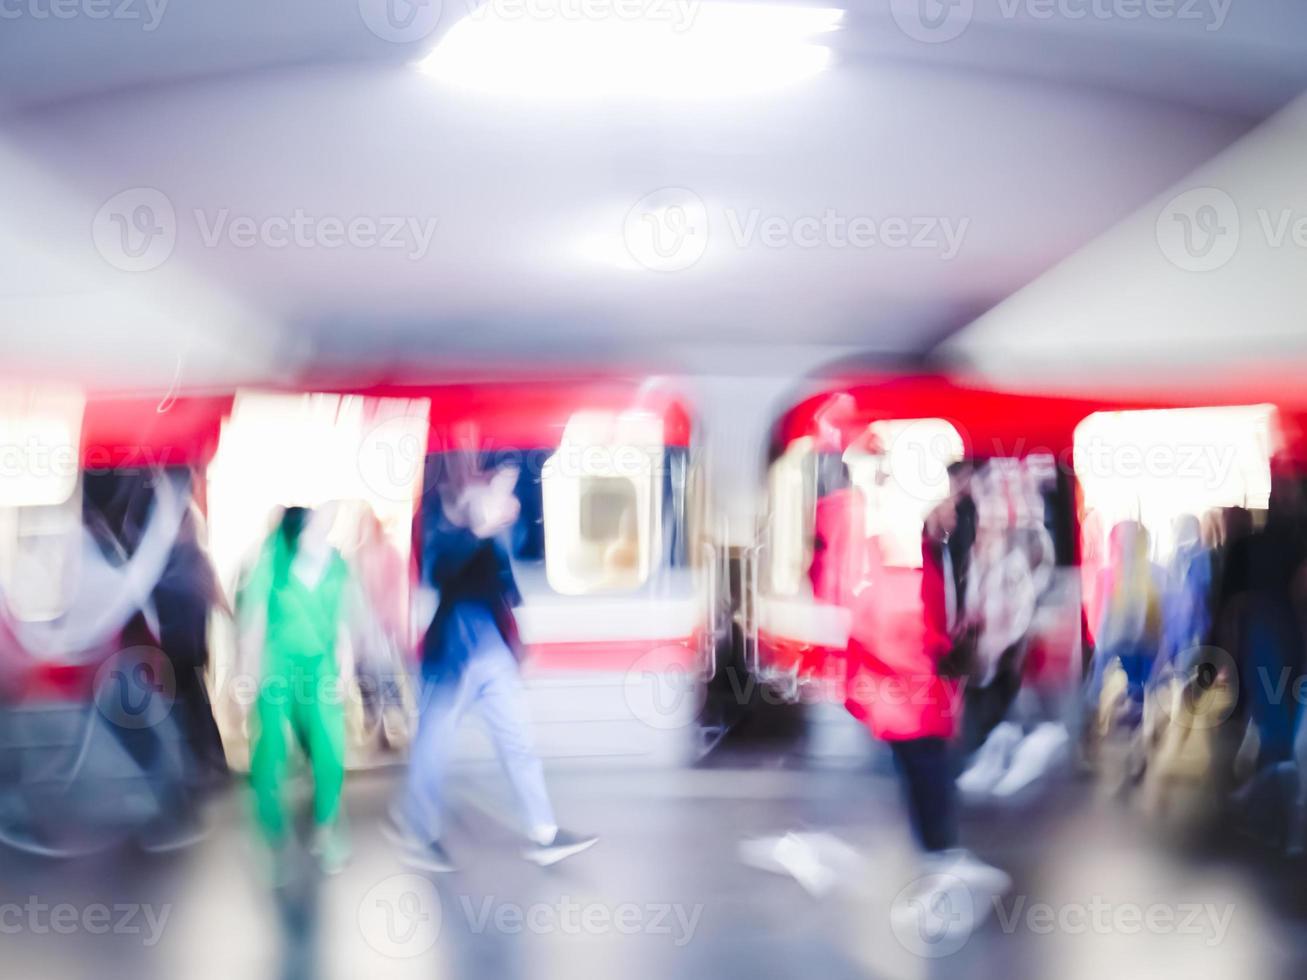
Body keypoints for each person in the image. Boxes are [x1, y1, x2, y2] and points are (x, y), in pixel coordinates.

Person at [391, 455, 596, 871]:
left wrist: (517, 640)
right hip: (452, 655)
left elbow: (504, 588)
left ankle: (544, 834)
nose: (509, 499)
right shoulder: (443, 526)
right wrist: (483, 529)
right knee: (434, 745)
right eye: (501, 487)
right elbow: (439, 571)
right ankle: (417, 830)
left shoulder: (493, 536)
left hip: (490, 654)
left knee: (517, 742)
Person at [239, 505, 352, 875]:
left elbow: (343, 622)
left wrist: (345, 671)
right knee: (269, 750)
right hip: (277, 665)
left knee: (330, 749)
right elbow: (254, 619)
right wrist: (246, 671)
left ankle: (326, 828)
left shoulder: (336, 563)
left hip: (320, 666)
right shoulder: (273, 557)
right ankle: (272, 839)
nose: (327, 519)